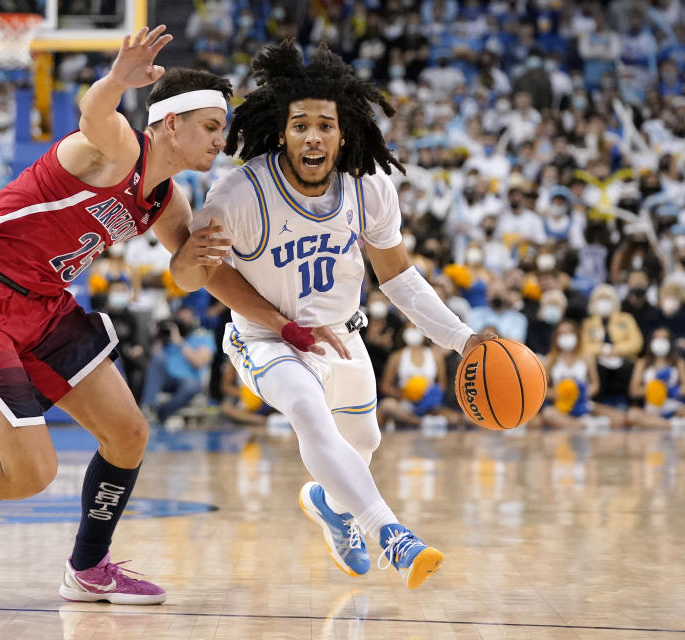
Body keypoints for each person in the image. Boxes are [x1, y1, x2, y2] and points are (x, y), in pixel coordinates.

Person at [0, 26, 287, 605]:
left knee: (129, 434)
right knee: (29, 474)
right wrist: (116, 79)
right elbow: (92, 114)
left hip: (46, 307)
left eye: (222, 130)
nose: (219, 141)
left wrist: (227, 279)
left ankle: (88, 569)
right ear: (170, 123)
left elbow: (186, 279)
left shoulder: (166, 200)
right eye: (210, 126)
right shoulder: (116, 148)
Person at [171, 40, 491, 589]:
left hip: (342, 337)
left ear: (344, 133)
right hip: (266, 338)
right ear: (281, 132)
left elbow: (399, 279)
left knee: (361, 443)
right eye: (300, 125)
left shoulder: (369, 186)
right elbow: (198, 276)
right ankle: (392, 535)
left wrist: (466, 340)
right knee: (307, 412)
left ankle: (327, 501)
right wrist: (280, 323)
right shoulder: (239, 196)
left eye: (325, 124)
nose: (313, 136)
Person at [537, 320, 627, 431]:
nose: (566, 336)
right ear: (556, 338)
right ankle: (585, 425)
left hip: (583, 403)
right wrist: (561, 394)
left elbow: (595, 383)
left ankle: (579, 423)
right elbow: (543, 390)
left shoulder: (586, 356)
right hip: (560, 406)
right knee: (548, 414)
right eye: (562, 333)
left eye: (569, 332)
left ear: (576, 335)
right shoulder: (550, 359)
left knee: (619, 418)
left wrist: (582, 394)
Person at [140, 307, 215, 430]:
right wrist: (157, 337)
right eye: (180, 319)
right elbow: (154, 361)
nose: (183, 322)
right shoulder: (168, 337)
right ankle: (148, 407)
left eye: (186, 318)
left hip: (190, 379)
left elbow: (199, 362)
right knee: (158, 358)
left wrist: (179, 341)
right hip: (167, 378)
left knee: (191, 386)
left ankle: (160, 414)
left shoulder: (203, 336)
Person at [626, 327, 685, 430]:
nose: (660, 342)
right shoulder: (642, 362)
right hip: (651, 409)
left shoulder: (678, 362)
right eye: (656, 338)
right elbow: (633, 391)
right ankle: (673, 425)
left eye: (664, 339)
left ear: (670, 342)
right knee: (632, 415)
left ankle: (660, 424)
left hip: (673, 407)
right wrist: (655, 388)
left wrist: (672, 390)